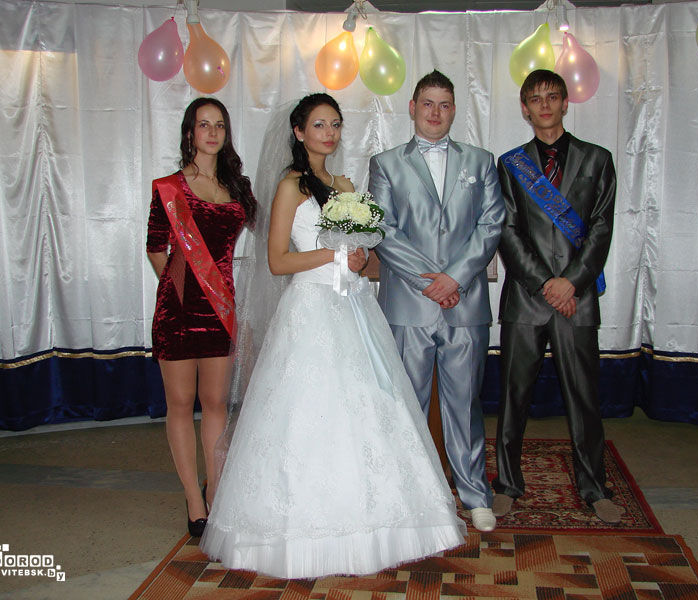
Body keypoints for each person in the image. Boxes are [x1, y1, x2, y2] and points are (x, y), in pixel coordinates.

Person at [201, 93, 466, 579]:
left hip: (354, 305)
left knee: (370, 408)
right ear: (299, 132)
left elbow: (362, 253)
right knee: (309, 414)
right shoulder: (290, 187)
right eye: (319, 125)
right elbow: (277, 260)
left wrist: (360, 258)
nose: (329, 133)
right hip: (311, 307)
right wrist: (333, 254)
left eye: (336, 124)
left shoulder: (345, 185)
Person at [368, 71, 505, 533]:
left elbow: (491, 224)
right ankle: (408, 494)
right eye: (427, 103)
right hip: (409, 303)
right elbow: (383, 229)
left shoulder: (481, 161)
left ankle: (475, 494)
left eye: (444, 104)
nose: (435, 112)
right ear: (412, 107)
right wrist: (430, 281)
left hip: (465, 303)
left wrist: (455, 278)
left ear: (454, 110)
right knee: (406, 403)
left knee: (464, 403)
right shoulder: (386, 163)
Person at [492, 70, 621, 523]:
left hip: (576, 298)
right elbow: (507, 230)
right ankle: (507, 484)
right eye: (535, 98)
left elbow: (602, 228)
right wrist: (546, 283)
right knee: (513, 398)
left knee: (584, 398)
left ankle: (594, 487)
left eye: (552, 96)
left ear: (566, 103)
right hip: (527, 298)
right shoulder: (510, 164)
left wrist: (572, 283)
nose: (544, 105)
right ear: (524, 108)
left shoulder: (598, 159)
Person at [146, 97, 256, 537]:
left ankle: (217, 493)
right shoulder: (168, 187)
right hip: (176, 313)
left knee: (216, 404)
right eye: (203, 124)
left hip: (220, 311)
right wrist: (179, 285)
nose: (212, 132)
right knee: (179, 404)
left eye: (219, 125)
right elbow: (156, 247)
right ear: (189, 132)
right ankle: (194, 498)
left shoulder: (238, 188)